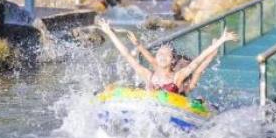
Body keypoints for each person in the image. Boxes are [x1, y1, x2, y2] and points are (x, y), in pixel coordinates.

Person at [96, 18, 238, 95]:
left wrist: (220, 41)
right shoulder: (148, 75)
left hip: (175, 107)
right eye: (160, 53)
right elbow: (127, 55)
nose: (162, 56)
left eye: (167, 54)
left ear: (172, 61)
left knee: (195, 80)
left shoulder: (178, 77)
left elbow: (198, 61)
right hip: (152, 108)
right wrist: (110, 33)